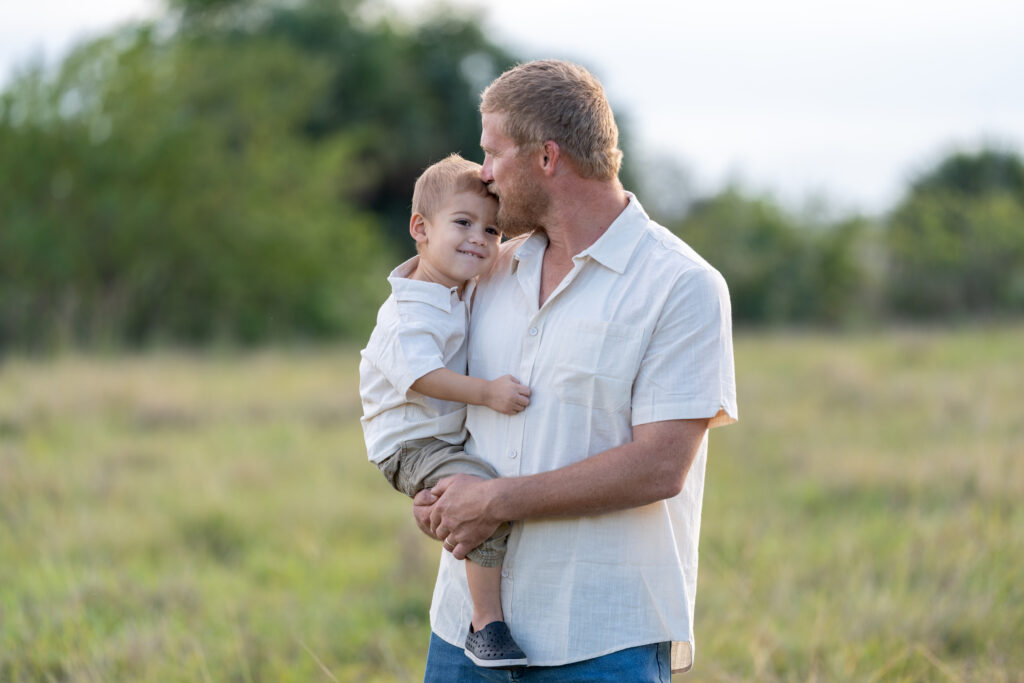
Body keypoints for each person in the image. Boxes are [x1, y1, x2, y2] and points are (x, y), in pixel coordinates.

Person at [413, 60, 739, 681]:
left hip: (602, 638)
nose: (482, 174)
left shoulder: (681, 285)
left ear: (546, 158)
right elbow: (441, 399)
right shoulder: (488, 272)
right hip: (463, 634)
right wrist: (434, 494)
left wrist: (493, 501)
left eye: (492, 153)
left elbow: (661, 466)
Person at [359, 154, 532, 669]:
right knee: (481, 496)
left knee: (473, 491)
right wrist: (487, 394)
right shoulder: (409, 310)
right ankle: (486, 625)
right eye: (463, 223)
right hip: (411, 444)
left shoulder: (454, 289)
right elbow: (422, 377)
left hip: (436, 438)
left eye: (493, 230)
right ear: (420, 228)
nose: (479, 238)